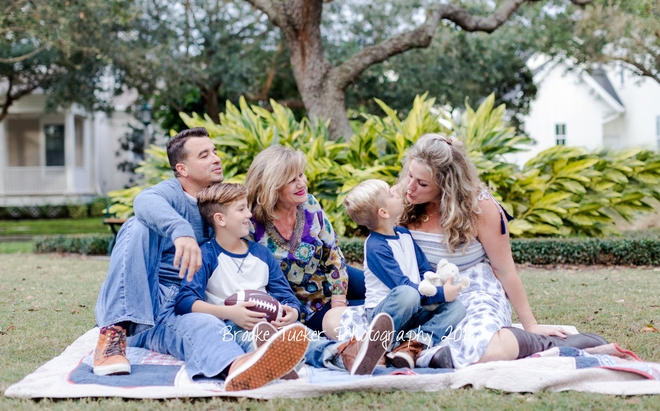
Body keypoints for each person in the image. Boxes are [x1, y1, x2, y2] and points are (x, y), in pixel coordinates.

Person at [399, 133, 607, 368]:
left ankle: (539, 342)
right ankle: (434, 355)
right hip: (423, 292)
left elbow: (505, 269)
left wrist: (531, 324)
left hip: (473, 290)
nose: (411, 187)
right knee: (367, 335)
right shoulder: (402, 198)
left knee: (488, 349)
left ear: (448, 185)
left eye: (423, 183)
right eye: (409, 175)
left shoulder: (482, 208)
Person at [174, 182, 395, 384]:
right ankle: (277, 357)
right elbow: (185, 301)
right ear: (220, 219)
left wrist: (291, 311)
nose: (249, 215)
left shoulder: (260, 253)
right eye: (241, 210)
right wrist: (230, 313)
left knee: (302, 335)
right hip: (233, 325)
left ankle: (347, 354)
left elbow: (286, 296)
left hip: (273, 322)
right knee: (256, 337)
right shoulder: (207, 255)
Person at [93, 127, 223, 377]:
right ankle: (115, 330)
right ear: (182, 169)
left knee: (209, 330)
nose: (216, 158)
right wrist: (181, 230)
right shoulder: (171, 193)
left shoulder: (221, 198)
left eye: (214, 152)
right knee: (138, 225)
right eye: (204, 155)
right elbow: (143, 201)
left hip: (186, 305)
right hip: (144, 302)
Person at [344, 179, 466, 369]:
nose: (397, 194)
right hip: (387, 312)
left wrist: (440, 286)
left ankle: (409, 345)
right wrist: (441, 294)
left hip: (415, 307)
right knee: (407, 294)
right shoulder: (376, 247)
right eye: (391, 195)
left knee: (457, 308)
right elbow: (402, 286)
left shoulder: (404, 234)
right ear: (383, 212)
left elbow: (423, 268)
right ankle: (379, 343)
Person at [244, 145, 366, 336]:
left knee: (384, 289)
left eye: (301, 175)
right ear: (272, 186)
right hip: (305, 306)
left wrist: (339, 301)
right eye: (292, 180)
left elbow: (332, 253)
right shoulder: (250, 224)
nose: (301, 183)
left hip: (333, 278)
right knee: (373, 312)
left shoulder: (309, 203)